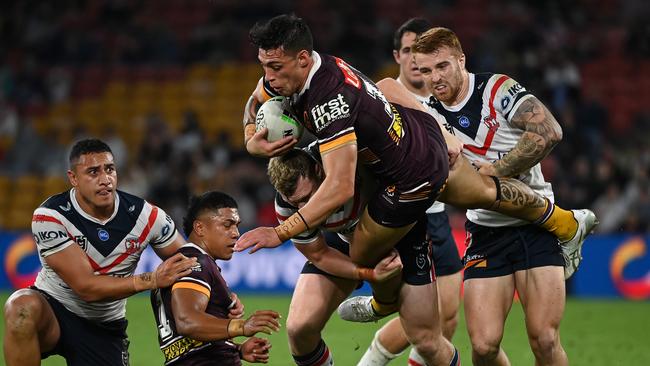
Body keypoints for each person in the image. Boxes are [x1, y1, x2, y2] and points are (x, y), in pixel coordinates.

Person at [235, 14, 594, 366]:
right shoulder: (310, 71)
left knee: (366, 253)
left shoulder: (329, 101)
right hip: (437, 169)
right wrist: (252, 138)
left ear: (301, 59)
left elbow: (340, 186)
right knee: (485, 198)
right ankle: (566, 222)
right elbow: (387, 88)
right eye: (264, 66)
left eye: (275, 68)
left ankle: (381, 303)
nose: (268, 77)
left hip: (410, 182)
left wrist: (280, 232)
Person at [410, 26, 583, 365]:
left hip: (536, 225)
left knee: (545, 339)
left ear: (462, 60)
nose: (435, 78)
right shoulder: (428, 114)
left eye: (442, 66)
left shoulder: (496, 89)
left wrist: (492, 172)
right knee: (485, 346)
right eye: (426, 71)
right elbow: (386, 91)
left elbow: (550, 131)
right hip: (486, 232)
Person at [3, 138, 198, 366]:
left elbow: (192, 261)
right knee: (21, 309)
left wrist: (222, 297)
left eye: (110, 169)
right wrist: (152, 279)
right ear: (73, 178)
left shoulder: (146, 216)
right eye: (93, 172)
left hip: (104, 325)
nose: (105, 179)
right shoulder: (52, 216)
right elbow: (86, 287)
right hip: (54, 310)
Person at [357, 18, 464, 366]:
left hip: (439, 218)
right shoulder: (388, 99)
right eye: (408, 51)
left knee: (447, 319)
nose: (416, 60)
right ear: (397, 55)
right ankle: (370, 357)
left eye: (423, 51)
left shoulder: (446, 99)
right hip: (403, 219)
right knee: (424, 326)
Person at [265, 145, 403, 366]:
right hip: (341, 239)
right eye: (295, 203)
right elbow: (319, 255)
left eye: (307, 198)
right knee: (298, 329)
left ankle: (378, 306)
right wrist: (365, 273)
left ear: (319, 170)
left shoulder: (353, 159)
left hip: (397, 231)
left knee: (427, 327)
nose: (303, 211)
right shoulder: (287, 205)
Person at [150, 191, 280, 365]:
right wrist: (241, 326)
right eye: (227, 225)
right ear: (200, 228)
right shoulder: (196, 263)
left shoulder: (177, 265)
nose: (236, 233)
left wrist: (236, 349)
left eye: (236, 225)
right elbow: (187, 322)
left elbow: (189, 345)